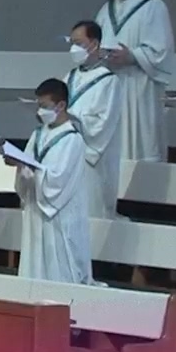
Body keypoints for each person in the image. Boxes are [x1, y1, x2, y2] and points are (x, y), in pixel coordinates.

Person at [8, 79, 92, 285]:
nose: (40, 111)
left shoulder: (72, 139)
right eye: (39, 105)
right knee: (34, 263)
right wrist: (19, 165)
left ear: (61, 105)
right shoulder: (38, 134)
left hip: (58, 213)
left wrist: (31, 168)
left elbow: (58, 179)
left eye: (44, 106)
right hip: (36, 206)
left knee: (58, 267)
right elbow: (29, 165)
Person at [96, 0, 174, 164]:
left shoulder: (153, 7)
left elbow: (161, 51)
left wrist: (132, 56)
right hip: (113, 85)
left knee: (140, 141)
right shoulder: (106, 9)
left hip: (139, 86)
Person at [66, 20, 123, 220]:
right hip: (69, 153)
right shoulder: (70, 77)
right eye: (72, 43)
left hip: (92, 159)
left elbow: (104, 124)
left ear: (94, 44)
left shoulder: (109, 81)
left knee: (91, 216)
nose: (74, 48)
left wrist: (75, 120)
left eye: (79, 43)